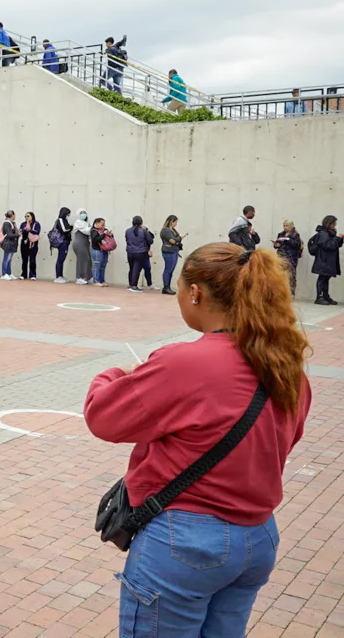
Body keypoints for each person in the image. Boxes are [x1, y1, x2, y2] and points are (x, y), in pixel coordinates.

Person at [84, 242, 311, 636]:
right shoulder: (287, 366)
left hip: (185, 542)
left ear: (195, 293)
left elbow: (104, 417)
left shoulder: (185, 362)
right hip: (257, 538)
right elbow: (281, 444)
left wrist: (114, 375)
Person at [310, 216, 343, 305]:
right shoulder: (323, 233)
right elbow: (328, 245)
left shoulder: (330, 233)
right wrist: (338, 238)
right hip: (323, 260)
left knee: (326, 278)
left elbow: (335, 245)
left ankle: (325, 296)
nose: (334, 225)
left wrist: (339, 239)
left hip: (328, 260)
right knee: (322, 278)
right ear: (328, 223)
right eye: (333, 223)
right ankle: (319, 297)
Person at [274, 221, 303, 299]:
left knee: (291, 275)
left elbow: (297, 245)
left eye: (286, 225)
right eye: (284, 225)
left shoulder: (295, 235)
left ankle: (291, 293)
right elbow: (277, 244)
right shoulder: (281, 234)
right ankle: (279, 293)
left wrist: (287, 239)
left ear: (291, 226)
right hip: (281, 256)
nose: (285, 227)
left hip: (291, 257)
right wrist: (276, 245)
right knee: (279, 275)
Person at [125, 216, 154, 293]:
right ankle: (134, 286)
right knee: (136, 269)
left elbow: (127, 240)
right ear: (141, 222)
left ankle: (131, 284)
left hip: (130, 252)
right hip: (141, 252)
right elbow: (150, 241)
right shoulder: (144, 231)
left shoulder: (127, 231)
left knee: (131, 268)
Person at [160, 215, 184, 295]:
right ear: (171, 221)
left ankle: (168, 287)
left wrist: (178, 239)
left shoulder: (172, 230)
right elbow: (173, 241)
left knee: (171, 270)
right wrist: (179, 238)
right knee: (168, 270)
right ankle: (166, 287)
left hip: (174, 251)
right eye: (175, 222)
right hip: (168, 252)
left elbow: (175, 240)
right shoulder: (165, 230)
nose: (176, 224)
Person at [51, 207, 73, 283]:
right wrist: (71, 227)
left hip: (65, 241)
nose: (68, 215)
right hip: (62, 242)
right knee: (60, 259)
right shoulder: (60, 220)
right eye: (68, 214)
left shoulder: (65, 220)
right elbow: (64, 230)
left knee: (62, 259)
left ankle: (61, 276)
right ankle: (58, 276)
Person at [73, 209, 93, 285]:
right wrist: (92, 228)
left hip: (85, 243)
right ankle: (79, 277)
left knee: (87, 260)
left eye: (85, 213)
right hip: (79, 243)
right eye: (81, 213)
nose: (83, 214)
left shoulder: (85, 223)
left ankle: (87, 277)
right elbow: (87, 231)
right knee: (82, 260)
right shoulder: (78, 223)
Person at [19, 211, 41, 280]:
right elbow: (21, 231)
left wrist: (30, 230)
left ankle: (33, 275)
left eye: (28, 216)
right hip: (24, 243)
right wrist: (25, 229)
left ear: (32, 216)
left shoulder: (36, 224)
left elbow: (37, 231)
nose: (26, 217)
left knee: (32, 259)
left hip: (33, 244)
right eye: (25, 216)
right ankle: (24, 274)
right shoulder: (23, 224)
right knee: (24, 260)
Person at [91, 218, 112, 286]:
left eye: (104, 224)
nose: (103, 225)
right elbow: (95, 240)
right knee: (97, 265)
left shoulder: (104, 230)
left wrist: (110, 234)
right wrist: (103, 235)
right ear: (97, 223)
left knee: (103, 266)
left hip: (104, 250)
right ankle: (96, 281)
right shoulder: (93, 231)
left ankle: (102, 280)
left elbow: (110, 238)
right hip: (97, 250)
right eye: (102, 224)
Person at [0, 210, 19, 280]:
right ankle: (4, 274)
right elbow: (8, 234)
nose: (15, 216)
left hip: (12, 243)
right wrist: (17, 234)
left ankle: (9, 273)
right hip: (8, 243)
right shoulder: (7, 223)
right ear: (12, 215)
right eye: (14, 215)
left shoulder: (12, 223)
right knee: (6, 259)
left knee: (9, 259)